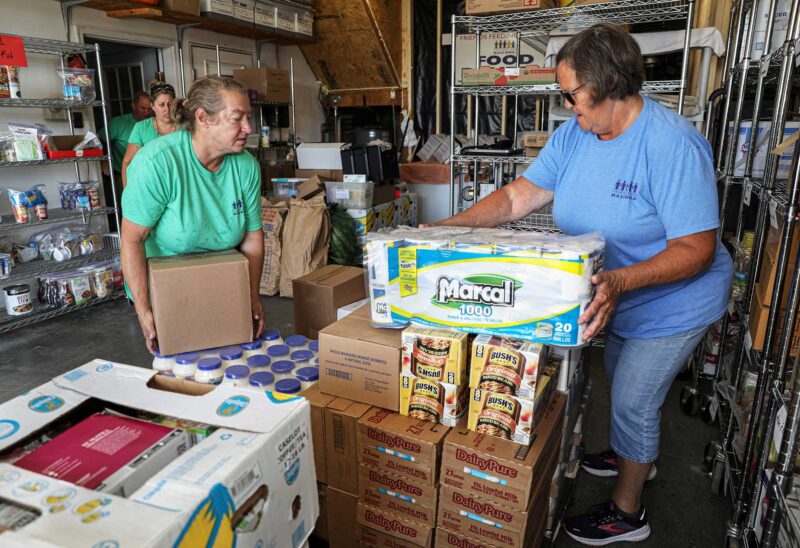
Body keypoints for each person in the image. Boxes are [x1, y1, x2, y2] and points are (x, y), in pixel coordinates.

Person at [429, 24, 732, 545]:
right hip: (615, 294)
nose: (568, 107)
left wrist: (619, 281)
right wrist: (440, 231)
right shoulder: (576, 135)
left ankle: (628, 511)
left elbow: (695, 250)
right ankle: (633, 451)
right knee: (621, 381)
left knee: (635, 399)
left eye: (572, 95)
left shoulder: (673, 145)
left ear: (610, 82)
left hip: (673, 301)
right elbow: (517, 198)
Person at [121, 76, 265, 353]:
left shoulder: (245, 166)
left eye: (249, 117)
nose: (248, 128)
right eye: (237, 118)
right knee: (184, 369)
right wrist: (144, 309)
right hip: (168, 285)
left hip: (222, 278)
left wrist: (251, 295)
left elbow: (252, 236)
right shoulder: (158, 163)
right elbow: (132, 240)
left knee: (234, 365)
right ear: (203, 117)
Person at [121, 81, 179, 187]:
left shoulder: (184, 126)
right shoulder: (141, 128)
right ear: (152, 106)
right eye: (161, 105)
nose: (167, 109)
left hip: (179, 184)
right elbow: (127, 162)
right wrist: (127, 192)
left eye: (170, 104)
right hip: (150, 186)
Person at [100, 91, 151, 179]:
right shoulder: (119, 123)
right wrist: (103, 158)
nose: (147, 112)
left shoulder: (154, 123)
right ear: (133, 106)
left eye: (149, 109)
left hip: (147, 175)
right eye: (143, 108)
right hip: (122, 174)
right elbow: (98, 139)